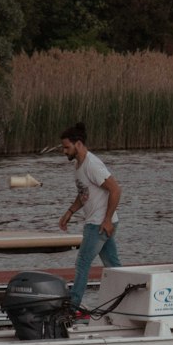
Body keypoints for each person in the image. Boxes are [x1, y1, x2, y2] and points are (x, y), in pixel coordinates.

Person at [58, 122, 122, 314]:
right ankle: (128, 299)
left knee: (82, 263)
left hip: (99, 224)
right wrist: (70, 212)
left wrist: (107, 220)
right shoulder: (78, 165)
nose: (64, 151)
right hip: (98, 222)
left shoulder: (92, 165)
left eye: (66, 147)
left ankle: (73, 306)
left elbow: (115, 190)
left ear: (78, 144)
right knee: (113, 266)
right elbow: (84, 194)